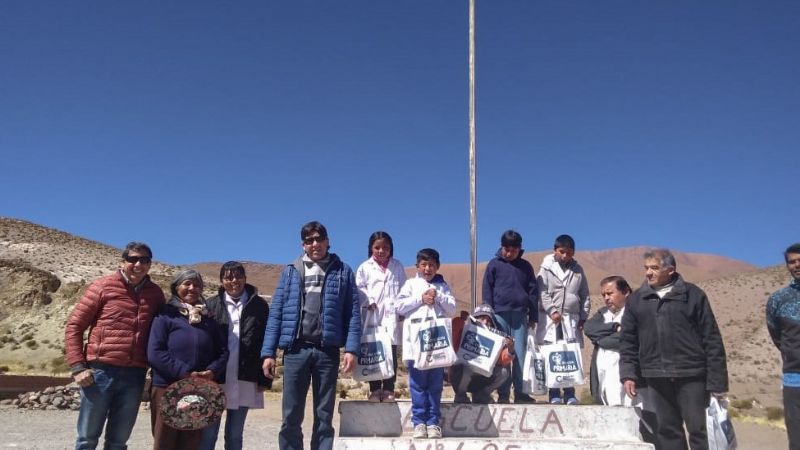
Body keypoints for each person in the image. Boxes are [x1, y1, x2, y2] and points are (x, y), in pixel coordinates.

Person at [260, 221, 361, 450]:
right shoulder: (291, 271)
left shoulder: (342, 271)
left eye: (318, 239)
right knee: (291, 415)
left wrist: (352, 349)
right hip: (296, 350)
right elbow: (276, 313)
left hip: (327, 351)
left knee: (324, 416)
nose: (314, 244)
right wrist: (268, 353)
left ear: (327, 241)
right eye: (309, 240)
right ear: (303, 245)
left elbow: (353, 313)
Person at [620, 249, 728, 450]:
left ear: (670, 270)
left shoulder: (693, 295)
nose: (648, 273)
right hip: (655, 375)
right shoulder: (637, 300)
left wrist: (717, 382)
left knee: (699, 430)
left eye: (654, 268)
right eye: (646, 268)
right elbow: (628, 340)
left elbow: (711, 338)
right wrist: (628, 374)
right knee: (668, 431)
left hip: (692, 375)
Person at [65, 242, 166, 450]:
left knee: (118, 441)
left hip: (135, 374)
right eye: (133, 259)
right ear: (122, 261)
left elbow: (163, 329)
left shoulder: (155, 294)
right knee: (87, 438)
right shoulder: (102, 286)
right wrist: (78, 366)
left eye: (145, 260)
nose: (139, 264)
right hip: (100, 372)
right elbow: (75, 326)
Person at [147, 269, 229, 450]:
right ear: (176, 287)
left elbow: (223, 351)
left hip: (199, 388)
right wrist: (185, 373)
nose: (192, 288)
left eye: (197, 285)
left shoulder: (209, 319)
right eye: (187, 284)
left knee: (191, 440)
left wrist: (212, 371)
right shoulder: (165, 315)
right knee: (165, 441)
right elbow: (156, 352)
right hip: (167, 387)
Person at [200, 261, 271, 450]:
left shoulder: (259, 306)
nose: (234, 281)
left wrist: (264, 379)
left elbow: (267, 340)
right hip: (215, 375)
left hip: (245, 375)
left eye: (238, 276)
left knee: (234, 434)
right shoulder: (210, 305)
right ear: (222, 281)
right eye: (229, 277)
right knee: (208, 433)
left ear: (245, 278)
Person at [584, 276, 657, 447]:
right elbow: (589, 329)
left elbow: (631, 339)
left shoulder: (638, 312)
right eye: (603, 295)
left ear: (626, 292)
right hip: (604, 380)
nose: (606, 298)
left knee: (640, 426)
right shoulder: (603, 314)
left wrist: (602, 340)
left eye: (610, 293)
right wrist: (614, 328)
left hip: (631, 379)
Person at [396, 248, 456, 440]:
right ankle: (419, 423)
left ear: (437, 266)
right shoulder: (410, 284)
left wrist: (438, 296)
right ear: (417, 266)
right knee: (417, 384)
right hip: (416, 345)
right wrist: (420, 299)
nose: (428, 268)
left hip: (437, 345)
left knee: (435, 385)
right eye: (424, 264)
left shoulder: (443, 286)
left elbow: (453, 309)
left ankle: (433, 422)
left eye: (431, 264)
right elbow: (399, 306)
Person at [481, 229, 538, 404]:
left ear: (519, 249)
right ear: (501, 247)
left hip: (520, 316)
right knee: (503, 355)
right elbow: (487, 290)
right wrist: (487, 314)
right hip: (499, 316)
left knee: (520, 354)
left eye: (513, 250)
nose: (509, 253)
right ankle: (503, 394)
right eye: (506, 249)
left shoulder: (525, 266)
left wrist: (534, 315)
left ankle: (520, 393)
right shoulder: (494, 264)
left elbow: (533, 292)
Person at [536, 234, 590, 405]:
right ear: (555, 250)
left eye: (569, 252)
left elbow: (585, 294)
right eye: (562, 252)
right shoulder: (546, 268)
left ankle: (569, 393)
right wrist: (552, 310)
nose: (566, 256)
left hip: (570, 319)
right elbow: (542, 292)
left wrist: (583, 316)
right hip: (551, 319)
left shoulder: (578, 270)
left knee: (569, 356)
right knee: (552, 355)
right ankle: (553, 393)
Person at [356, 231, 407, 402]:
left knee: (391, 353)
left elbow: (403, 289)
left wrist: (401, 310)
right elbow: (359, 288)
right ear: (371, 248)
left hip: (392, 316)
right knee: (374, 352)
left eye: (385, 247)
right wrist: (368, 300)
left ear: (391, 248)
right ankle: (375, 389)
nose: (381, 251)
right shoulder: (364, 267)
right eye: (377, 247)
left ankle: (389, 389)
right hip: (373, 315)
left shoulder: (397, 266)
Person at [766, 243, 800, 450]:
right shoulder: (778, 299)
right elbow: (776, 334)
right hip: (794, 379)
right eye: (792, 262)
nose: (797, 265)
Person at [450, 304, 514, 404]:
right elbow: (453, 335)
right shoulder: (464, 329)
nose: (485, 323)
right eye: (482, 319)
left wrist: (510, 349)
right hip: (462, 374)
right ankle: (460, 395)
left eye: (489, 321)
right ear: (474, 319)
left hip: (482, 377)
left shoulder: (494, 338)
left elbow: (502, 359)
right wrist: (460, 320)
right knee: (462, 367)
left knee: (504, 372)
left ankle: (482, 394)